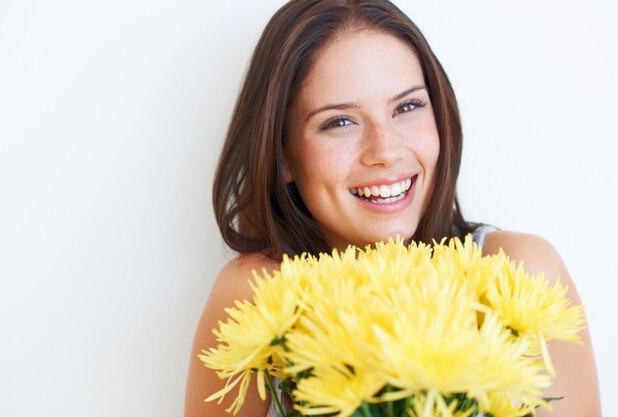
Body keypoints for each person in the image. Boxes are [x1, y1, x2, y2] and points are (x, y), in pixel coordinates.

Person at [184, 1, 601, 416]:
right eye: (339, 122)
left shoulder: (521, 274)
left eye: (407, 107)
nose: (385, 151)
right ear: (282, 157)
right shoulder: (257, 297)